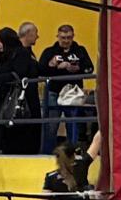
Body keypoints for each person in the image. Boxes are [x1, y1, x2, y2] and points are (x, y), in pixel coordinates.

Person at [38, 24, 95, 152]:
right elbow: (40, 70)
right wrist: (53, 65)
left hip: (73, 94)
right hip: (54, 92)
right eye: (63, 37)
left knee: (73, 125)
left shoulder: (80, 51)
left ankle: (72, 153)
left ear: (73, 36)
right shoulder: (49, 52)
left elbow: (89, 68)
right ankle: (47, 153)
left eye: (69, 37)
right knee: (51, 126)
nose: (66, 40)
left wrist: (76, 68)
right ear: (57, 36)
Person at [0, 27, 41, 156]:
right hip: (10, 99)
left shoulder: (21, 54)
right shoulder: (7, 55)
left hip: (23, 100)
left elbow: (17, 73)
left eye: (0, 41)